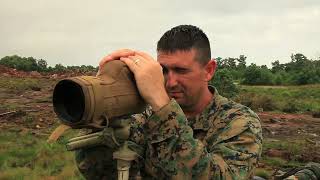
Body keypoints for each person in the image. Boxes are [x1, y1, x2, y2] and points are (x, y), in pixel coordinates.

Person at [75, 25, 263, 179]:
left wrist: (162, 106)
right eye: (163, 70)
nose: (171, 82)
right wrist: (105, 105)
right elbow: (101, 172)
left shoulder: (239, 122)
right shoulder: (145, 118)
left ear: (209, 70)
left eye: (181, 70)